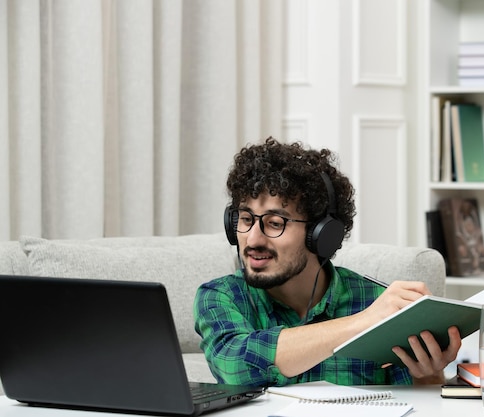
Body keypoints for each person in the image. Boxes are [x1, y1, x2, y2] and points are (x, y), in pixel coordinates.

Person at [194, 137, 461, 387]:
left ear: (320, 234)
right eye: (245, 219)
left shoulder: (378, 303)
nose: (252, 239)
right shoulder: (220, 297)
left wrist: (429, 376)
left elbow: (418, 406)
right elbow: (235, 366)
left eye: (275, 223)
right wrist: (365, 322)